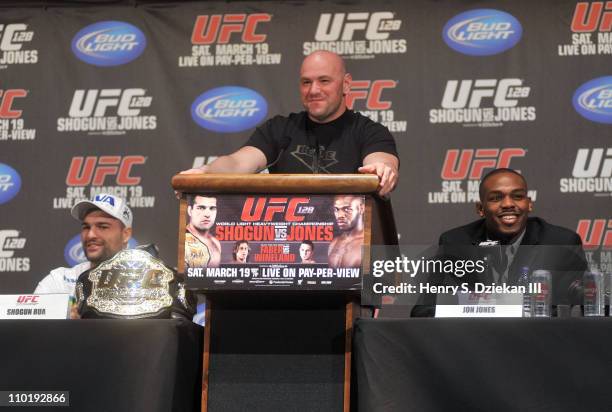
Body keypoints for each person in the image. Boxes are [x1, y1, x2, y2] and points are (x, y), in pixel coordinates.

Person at [180, 50, 399, 197]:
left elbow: (381, 161)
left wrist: (382, 170)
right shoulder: (280, 129)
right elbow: (237, 164)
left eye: (324, 81)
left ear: (346, 85)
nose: (313, 90)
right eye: (306, 82)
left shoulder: (369, 131)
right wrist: (206, 171)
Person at [411, 168, 587, 317]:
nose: (508, 204)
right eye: (496, 198)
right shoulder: (456, 242)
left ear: (529, 204)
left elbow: (584, 306)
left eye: (517, 196)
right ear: (480, 209)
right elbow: (424, 309)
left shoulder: (559, 242)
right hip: (474, 343)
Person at [34, 194, 133, 316]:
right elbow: (32, 331)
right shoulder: (60, 282)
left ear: (126, 234)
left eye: (102, 227)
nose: (91, 235)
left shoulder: (147, 281)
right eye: (86, 227)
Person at [328, 195, 365, 268]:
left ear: (361, 209)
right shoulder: (334, 243)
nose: (340, 215)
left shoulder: (367, 242)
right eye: (336, 209)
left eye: (347, 209)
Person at [185, 195, 221, 268]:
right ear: (190, 210)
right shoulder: (184, 241)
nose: (207, 214)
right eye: (201, 208)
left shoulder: (216, 243)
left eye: (212, 208)